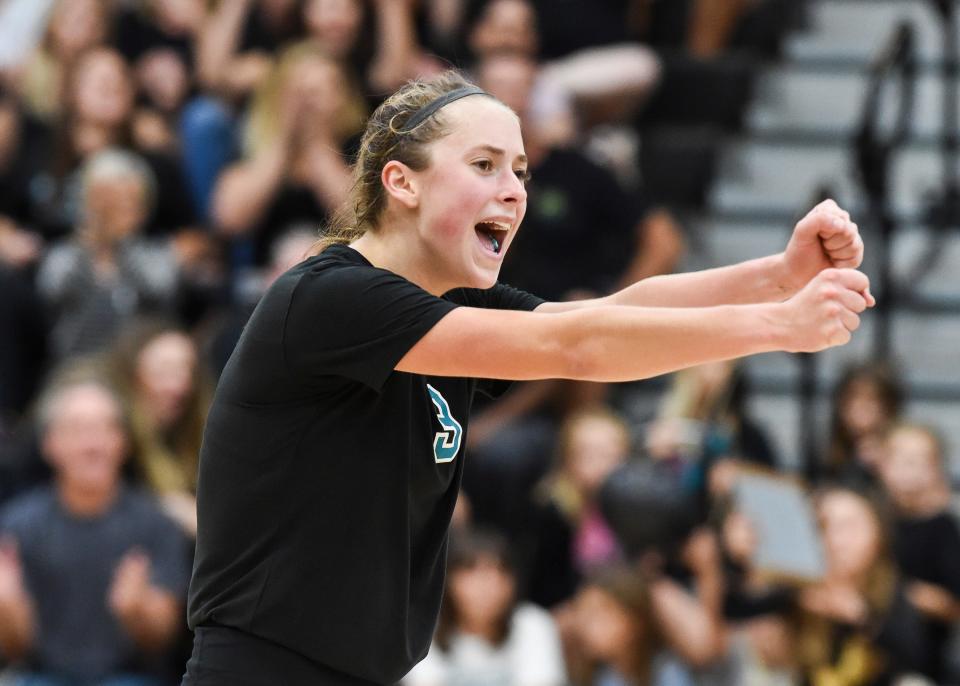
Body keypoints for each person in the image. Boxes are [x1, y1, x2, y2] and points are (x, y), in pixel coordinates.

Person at [182, 70, 872, 685]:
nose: (513, 192)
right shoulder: (331, 299)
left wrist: (777, 278)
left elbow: (609, 314)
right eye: (484, 165)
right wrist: (780, 326)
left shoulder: (448, 304)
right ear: (401, 182)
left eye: (519, 171)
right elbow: (578, 346)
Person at [0, 368, 189, 685]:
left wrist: (136, 610)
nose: (92, 443)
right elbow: (15, 649)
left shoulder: (154, 523)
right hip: (42, 676)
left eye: (105, 428)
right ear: (50, 443)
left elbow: (163, 639)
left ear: (123, 441)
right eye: (77, 429)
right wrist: (8, 609)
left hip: (129, 678)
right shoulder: (18, 524)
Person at [403, 528, 567, 686]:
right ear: (447, 580)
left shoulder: (533, 624)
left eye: (499, 570)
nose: (487, 584)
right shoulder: (424, 629)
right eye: (471, 569)